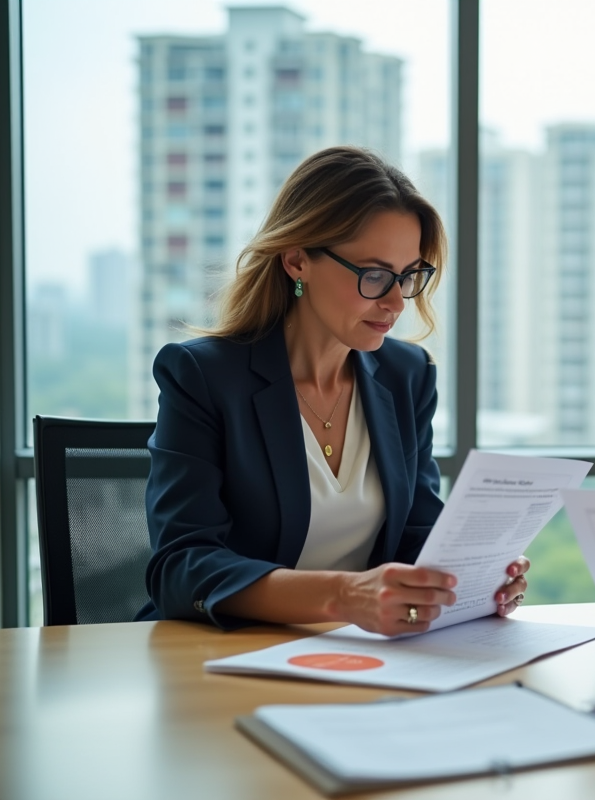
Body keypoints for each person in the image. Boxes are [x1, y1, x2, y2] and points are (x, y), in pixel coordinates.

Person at [137, 146, 527, 634]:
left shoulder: (407, 375)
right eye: (375, 274)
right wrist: (344, 596)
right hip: (222, 652)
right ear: (298, 260)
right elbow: (180, 567)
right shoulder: (202, 375)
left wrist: (478, 573)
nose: (395, 302)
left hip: (360, 657)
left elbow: (416, 536)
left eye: (408, 277)